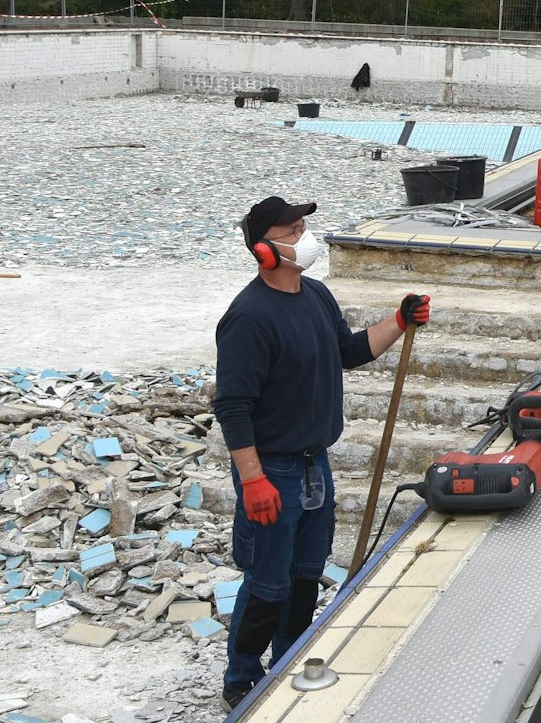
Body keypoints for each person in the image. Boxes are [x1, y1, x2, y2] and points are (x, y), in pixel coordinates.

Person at [212, 195, 431, 707]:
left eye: (304, 226)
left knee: (306, 575)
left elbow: (348, 352)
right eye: (292, 231)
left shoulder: (316, 296)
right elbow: (234, 407)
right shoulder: (248, 318)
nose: (304, 237)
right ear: (264, 250)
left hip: (314, 466)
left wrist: (398, 320)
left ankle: (289, 662)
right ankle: (241, 679)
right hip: (272, 468)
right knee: (267, 583)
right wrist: (253, 480)